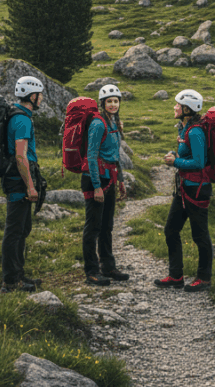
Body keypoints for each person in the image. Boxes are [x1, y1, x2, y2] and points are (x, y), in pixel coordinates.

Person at [155, 89, 212, 292]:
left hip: (197, 190)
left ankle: (204, 278)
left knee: (200, 235)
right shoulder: (184, 128)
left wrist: (175, 161)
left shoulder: (195, 131)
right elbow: (186, 152)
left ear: (187, 109)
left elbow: (198, 162)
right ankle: (175, 276)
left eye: (178, 104)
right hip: (183, 189)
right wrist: (175, 154)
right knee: (171, 230)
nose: (174, 107)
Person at [82, 84, 129, 286]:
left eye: (115, 101)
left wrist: (121, 180)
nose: (113, 104)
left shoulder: (114, 123)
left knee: (107, 225)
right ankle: (92, 271)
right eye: (109, 101)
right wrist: (96, 186)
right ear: (102, 103)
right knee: (93, 227)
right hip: (96, 179)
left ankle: (108, 266)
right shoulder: (98, 124)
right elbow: (91, 156)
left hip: (110, 176)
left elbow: (115, 155)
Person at [2, 75, 44, 292]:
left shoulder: (17, 114)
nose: (42, 99)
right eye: (40, 95)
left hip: (16, 178)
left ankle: (19, 274)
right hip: (18, 180)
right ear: (32, 96)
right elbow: (21, 156)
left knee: (22, 228)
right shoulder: (23, 120)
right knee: (15, 230)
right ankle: (10, 281)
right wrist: (30, 185)